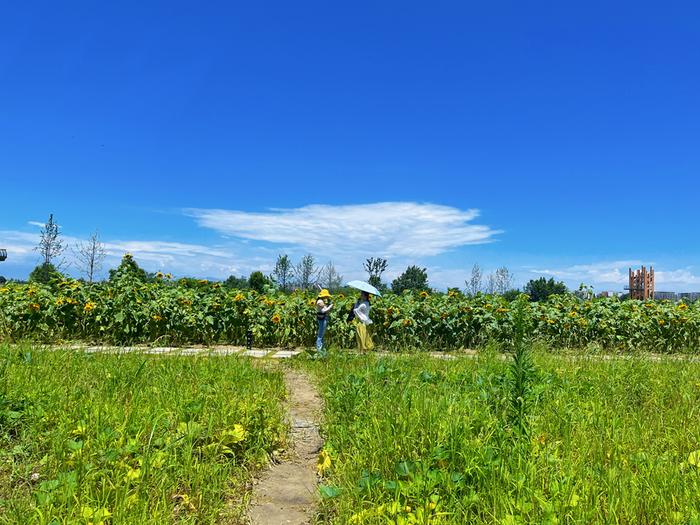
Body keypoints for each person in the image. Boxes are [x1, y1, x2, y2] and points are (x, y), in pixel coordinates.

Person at [315, 289, 334, 354]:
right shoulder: (320, 301)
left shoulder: (322, 301)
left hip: (324, 318)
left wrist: (330, 307)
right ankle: (319, 349)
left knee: (322, 333)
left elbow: (326, 310)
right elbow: (324, 311)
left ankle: (321, 348)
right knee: (320, 334)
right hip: (322, 318)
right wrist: (330, 306)